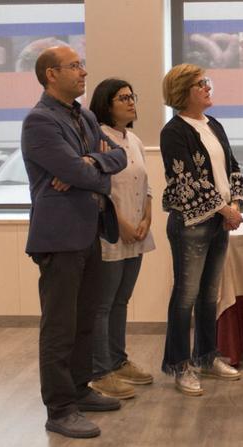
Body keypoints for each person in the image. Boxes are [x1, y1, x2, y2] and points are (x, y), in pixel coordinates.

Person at [21, 46, 128, 439]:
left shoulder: (83, 115)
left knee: (85, 319)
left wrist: (92, 163)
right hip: (60, 235)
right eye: (75, 66)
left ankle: (80, 389)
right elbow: (71, 171)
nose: (84, 72)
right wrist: (85, 168)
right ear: (51, 74)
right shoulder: (38, 121)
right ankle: (60, 408)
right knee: (60, 327)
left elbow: (119, 155)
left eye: (82, 64)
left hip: (89, 229)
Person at [160, 63, 243, 396]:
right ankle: (180, 365)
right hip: (191, 225)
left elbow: (232, 167)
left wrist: (236, 205)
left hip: (219, 222)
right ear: (184, 91)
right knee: (185, 296)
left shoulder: (214, 125)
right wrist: (224, 209)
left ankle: (206, 355)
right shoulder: (173, 132)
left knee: (209, 295)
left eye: (207, 82)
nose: (208, 88)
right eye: (201, 84)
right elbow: (185, 181)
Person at [87, 78, 156, 400]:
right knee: (101, 304)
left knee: (121, 301)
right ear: (106, 103)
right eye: (123, 98)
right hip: (112, 232)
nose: (131, 102)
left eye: (132, 96)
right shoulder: (97, 138)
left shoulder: (135, 139)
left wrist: (146, 218)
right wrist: (123, 223)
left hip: (138, 231)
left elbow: (146, 184)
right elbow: (100, 187)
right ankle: (100, 371)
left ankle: (118, 359)